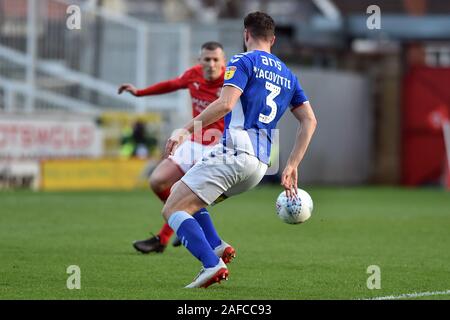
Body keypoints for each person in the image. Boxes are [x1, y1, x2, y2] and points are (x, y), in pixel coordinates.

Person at [162, 12, 317, 288]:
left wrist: (185, 130)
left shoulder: (242, 61)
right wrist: (292, 164)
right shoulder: (288, 75)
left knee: (172, 208)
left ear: (246, 34)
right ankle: (218, 247)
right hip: (260, 166)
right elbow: (309, 120)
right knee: (185, 198)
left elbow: (225, 105)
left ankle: (212, 264)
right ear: (273, 39)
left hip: (235, 151)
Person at [118, 42, 235, 264]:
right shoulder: (193, 75)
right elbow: (171, 84)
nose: (211, 64)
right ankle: (181, 221)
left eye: (215, 60)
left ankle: (168, 237)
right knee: (158, 181)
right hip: (193, 141)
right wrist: (139, 93)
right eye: (206, 59)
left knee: (187, 195)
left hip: (216, 146)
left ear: (223, 62)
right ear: (199, 61)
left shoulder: (232, 82)